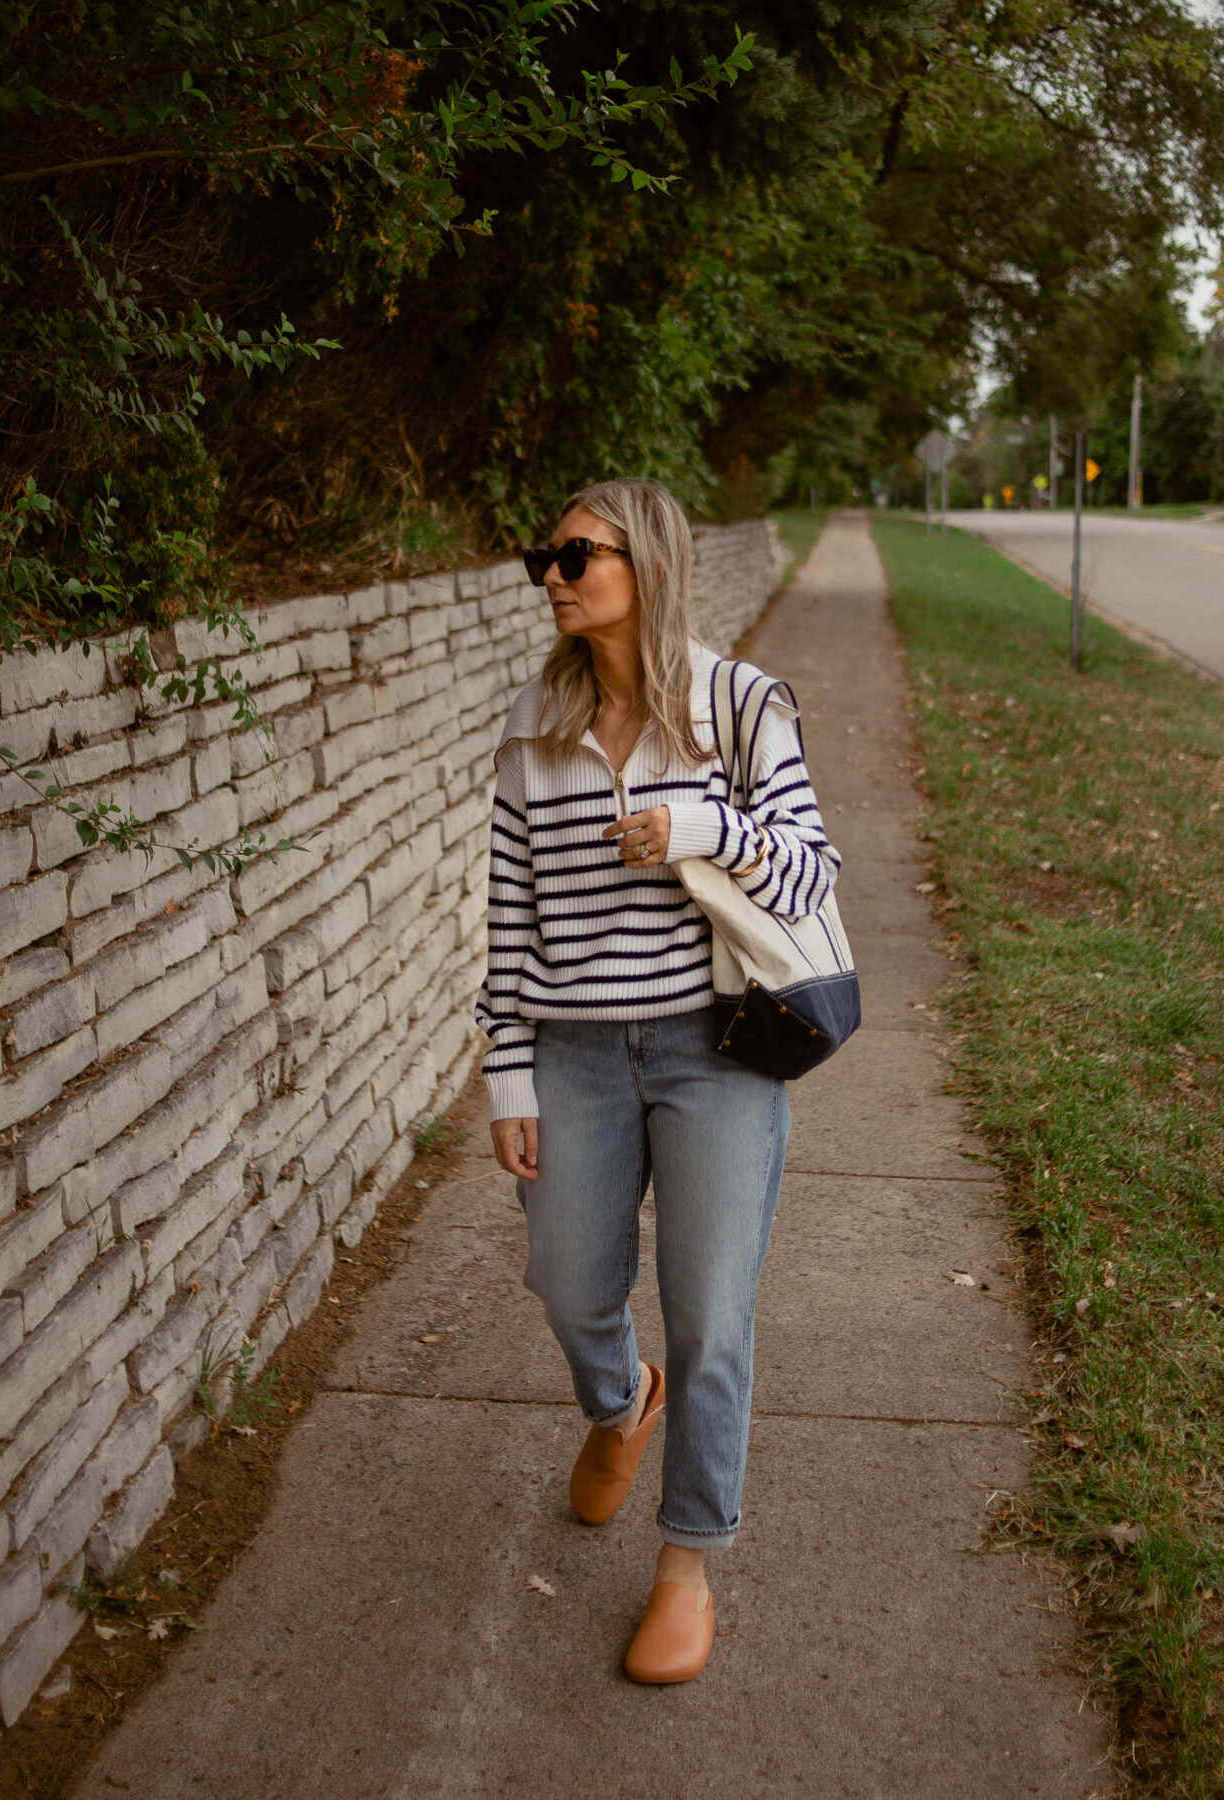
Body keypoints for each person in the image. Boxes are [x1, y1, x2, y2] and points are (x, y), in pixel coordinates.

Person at [475, 477, 839, 1683]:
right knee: (568, 1282)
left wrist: (701, 829)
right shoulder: (533, 727)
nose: (554, 575)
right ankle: (620, 1400)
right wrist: (508, 1075)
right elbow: (510, 920)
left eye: (577, 554)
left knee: (712, 1315)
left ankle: (687, 1562)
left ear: (649, 562)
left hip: (714, 1049)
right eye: (547, 555)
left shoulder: (735, 705)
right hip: (573, 1053)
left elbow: (806, 871)